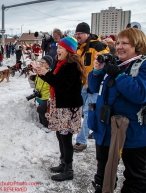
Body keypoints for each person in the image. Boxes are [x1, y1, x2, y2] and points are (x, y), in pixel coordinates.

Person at [88, 28, 146, 193]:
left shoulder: (143, 65)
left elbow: (141, 94)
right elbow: (93, 88)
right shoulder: (115, 64)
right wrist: (97, 70)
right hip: (106, 129)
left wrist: (119, 75)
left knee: (135, 177)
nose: (119, 46)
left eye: (125, 43)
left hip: (132, 133)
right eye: (118, 43)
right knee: (103, 173)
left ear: (137, 45)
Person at [36, 36, 86, 181]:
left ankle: (68, 170)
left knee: (66, 137)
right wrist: (42, 73)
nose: (57, 50)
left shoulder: (72, 66)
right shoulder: (61, 64)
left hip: (69, 107)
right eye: (57, 47)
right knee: (60, 135)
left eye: (61, 48)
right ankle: (63, 163)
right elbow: (55, 82)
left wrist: (46, 74)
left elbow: (63, 86)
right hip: (60, 105)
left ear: (69, 50)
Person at [73, 22, 109, 152]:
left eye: (80, 33)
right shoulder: (79, 48)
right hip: (83, 86)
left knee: (89, 112)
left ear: (87, 34)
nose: (77, 36)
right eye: (76, 33)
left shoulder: (98, 47)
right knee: (83, 112)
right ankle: (94, 128)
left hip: (95, 88)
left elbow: (106, 63)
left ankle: (81, 141)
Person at [28, 55, 53, 129]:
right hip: (40, 96)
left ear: (48, 64)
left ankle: (47, 126)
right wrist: (31, 78)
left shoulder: (50, 74)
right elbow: (35, 83)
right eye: (40, 62)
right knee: (41, 112)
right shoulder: (39, 72)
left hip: (47, 97)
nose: (40, 64)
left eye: (43, 62)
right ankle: (41, 124)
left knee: (41, 110)